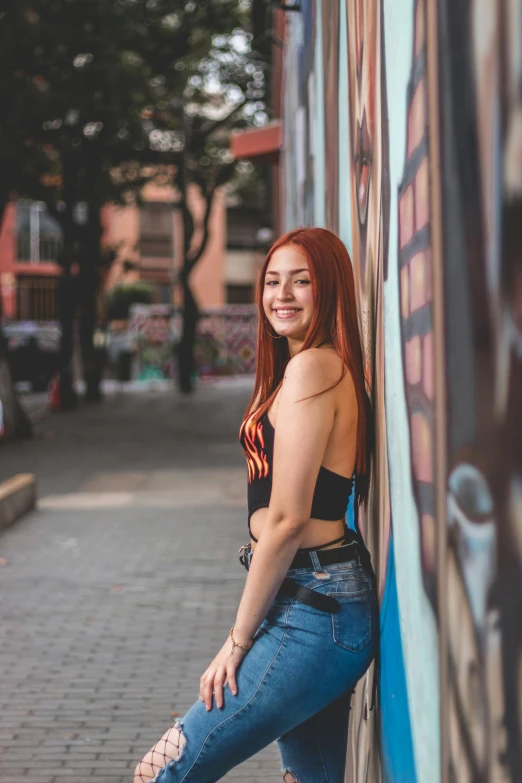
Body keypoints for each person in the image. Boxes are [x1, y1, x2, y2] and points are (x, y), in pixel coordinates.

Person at [134, 227, 378, 783]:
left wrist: (236, 642)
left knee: (160, 773)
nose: (282, 295)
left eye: (301, 281)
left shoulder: (314, 368)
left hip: (315, 614)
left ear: (330, 290)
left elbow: (290, 520)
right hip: (317, 603)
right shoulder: (317, 366)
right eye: (272, 281)